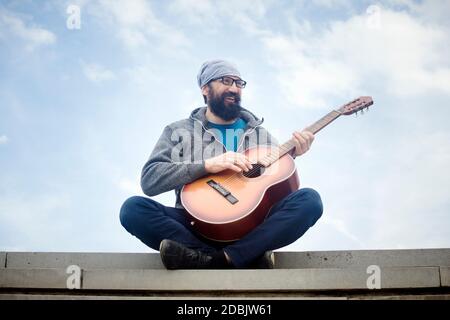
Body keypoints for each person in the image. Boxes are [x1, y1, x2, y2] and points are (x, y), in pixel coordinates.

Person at [119, 59, 323, 270]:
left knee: (310, 200)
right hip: (194, 225)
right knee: (133, 209)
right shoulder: (178, 131)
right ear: (205, 88)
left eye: (238, 83)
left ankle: (213, 258)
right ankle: (229, 258)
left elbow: (275, 184)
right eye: (226, 81)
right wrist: (206, 166)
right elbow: (150, 179)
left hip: (249, 226)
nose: (234, 88)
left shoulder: (260, 135)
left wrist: (293, 155)